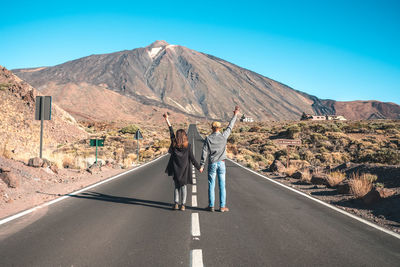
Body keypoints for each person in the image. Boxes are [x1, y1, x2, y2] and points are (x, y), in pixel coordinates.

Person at [200, 106, 239, 212]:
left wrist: (202, 165)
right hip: (221, 164)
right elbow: (230, 127)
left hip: (212, 163)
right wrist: (235, 115)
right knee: (222, 185)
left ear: (212, 128)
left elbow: (204, 152)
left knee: (211, 185)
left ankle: (211, 205)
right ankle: (222, 206)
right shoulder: (223, 136)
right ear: (219, 128)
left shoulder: (208, 138)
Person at [164, 113, 201, 211]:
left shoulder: (174, 144)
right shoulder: (187, 146)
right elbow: (192, 158)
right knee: (183, 187)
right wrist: (199, 167)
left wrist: (167, 120)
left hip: (176, 170)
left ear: (177, 136)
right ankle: (183, 205)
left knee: (176, 187)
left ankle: (176, 203)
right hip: (185, 170)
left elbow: (171, 131)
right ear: (185, 136)